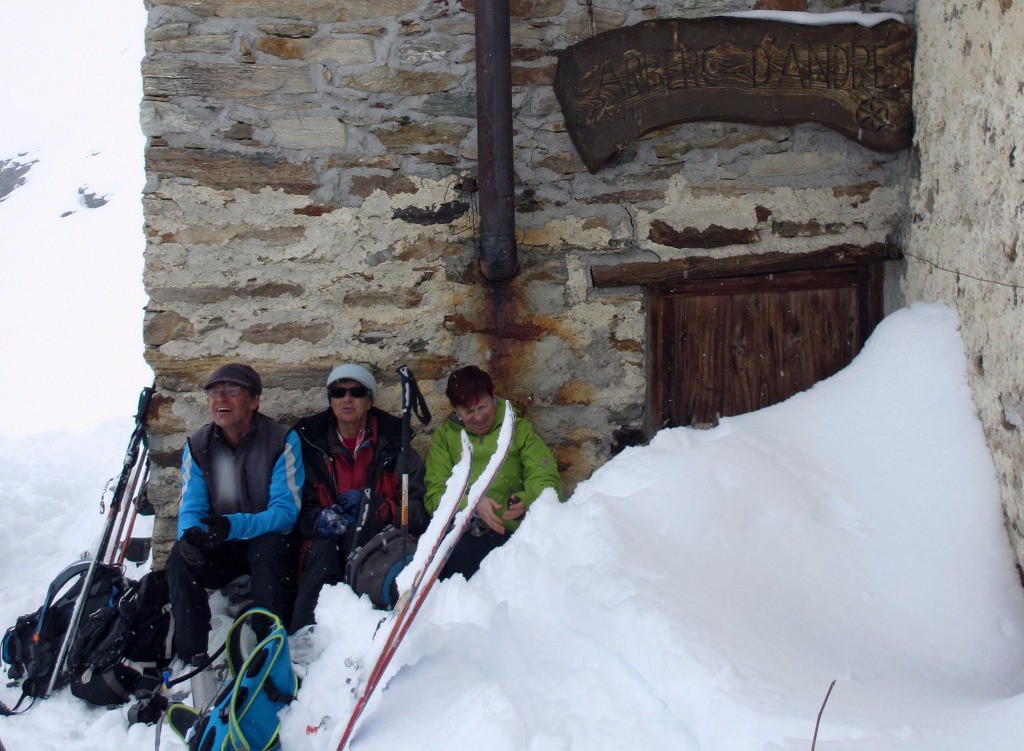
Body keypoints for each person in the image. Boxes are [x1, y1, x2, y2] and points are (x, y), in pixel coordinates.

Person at [165, 363, 304, 668]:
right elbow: (192, 507)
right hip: (224, 544)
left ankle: (268, 642)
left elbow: (285, 514)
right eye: (214, 392)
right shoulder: (198, 445)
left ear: (254, 400)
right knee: (180, 556)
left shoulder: (281, 441)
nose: (220, 399)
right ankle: (193, 657)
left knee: (271, 545)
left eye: (232, 390)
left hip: (268, 545)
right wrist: (190, 534)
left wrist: (233, 525)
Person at [290, 363, 428, 631]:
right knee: (322, 552)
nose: (347, 399)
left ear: (370, 401)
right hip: (327, 549)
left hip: (378, 547)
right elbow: (295, 512)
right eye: (339, 392)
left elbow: (419, 512)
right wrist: (318, 520)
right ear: (330, 401)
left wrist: (380, 508)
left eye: (357, 392)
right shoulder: (309, 448)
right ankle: (304, 635)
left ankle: (378, 633)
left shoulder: (396, 448)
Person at [425, 365, 563, 579]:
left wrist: (526, 499)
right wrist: (473, 504)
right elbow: (435, 496)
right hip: (465, 535)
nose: (479, 417)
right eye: (469, 412)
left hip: (515, 535)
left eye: (483, 406)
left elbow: (546, 478)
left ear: (493, 397)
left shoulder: (517, 428)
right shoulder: (446, 438)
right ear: (455, 410)